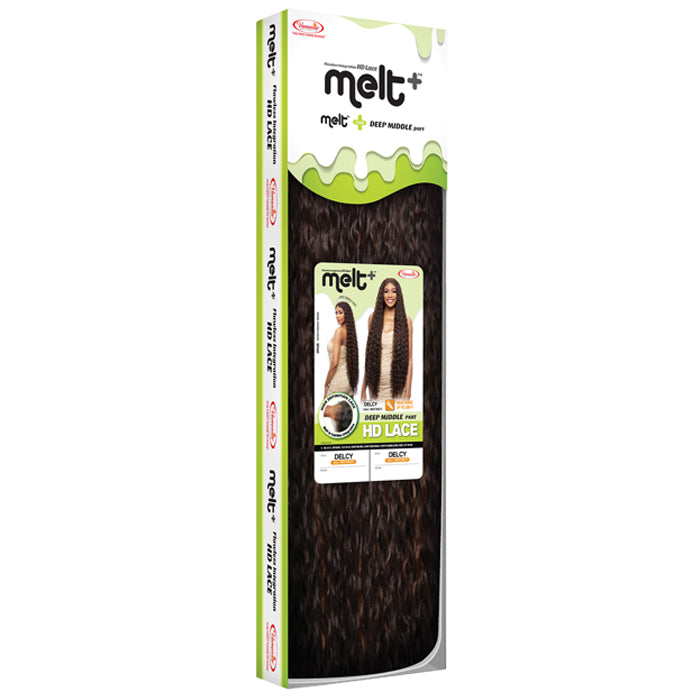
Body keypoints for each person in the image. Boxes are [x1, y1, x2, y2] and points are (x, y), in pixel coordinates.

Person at [361, 278, 413, 402]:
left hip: (398, 388)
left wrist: (408, 393)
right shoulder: (373, 319)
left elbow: (409, 359)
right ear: (381, 295)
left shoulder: (406, 321)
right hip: (376, 388)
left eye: (394, 291)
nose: (390, 295)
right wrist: (363, 390)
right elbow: (369, 356)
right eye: (386, 291)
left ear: (398, 295)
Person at [324, 301, 358, 397]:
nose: (337, 316)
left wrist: (326, 383)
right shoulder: (350, 333)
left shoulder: (339, 331)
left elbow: (334, 364)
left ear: (347, 314)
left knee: (328, 407)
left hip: (338, 382)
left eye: (340, 312)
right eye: (336, 313)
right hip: (348, 383)